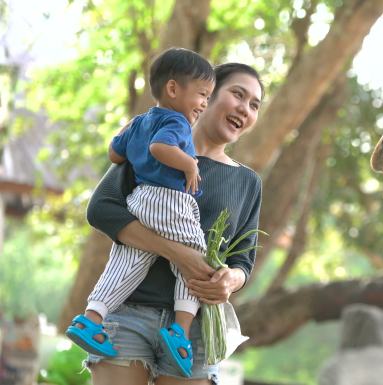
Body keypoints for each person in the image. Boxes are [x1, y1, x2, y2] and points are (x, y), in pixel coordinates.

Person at [83, 62, 264, 385]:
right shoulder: (156, 148)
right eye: (237, 94)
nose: (245, 109)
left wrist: (229, 280)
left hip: (195, 327)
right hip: (128, 314)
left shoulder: (247, 182)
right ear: (206, 96)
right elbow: (101, 209)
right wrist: (181, 254)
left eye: (254, 105)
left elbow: (243, 261)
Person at [66, 47, 215, 378]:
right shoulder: (175, 121)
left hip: (141, 200)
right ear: (173, 89)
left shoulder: (139, 122)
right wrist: (189, 162)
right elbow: (159, 148)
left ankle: (92, 319)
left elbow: (115, 155)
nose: (204, 104)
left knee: (128, 261)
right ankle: (180, 330)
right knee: (194, 257)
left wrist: (126, 134)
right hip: (169, 201)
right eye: (202, 94)